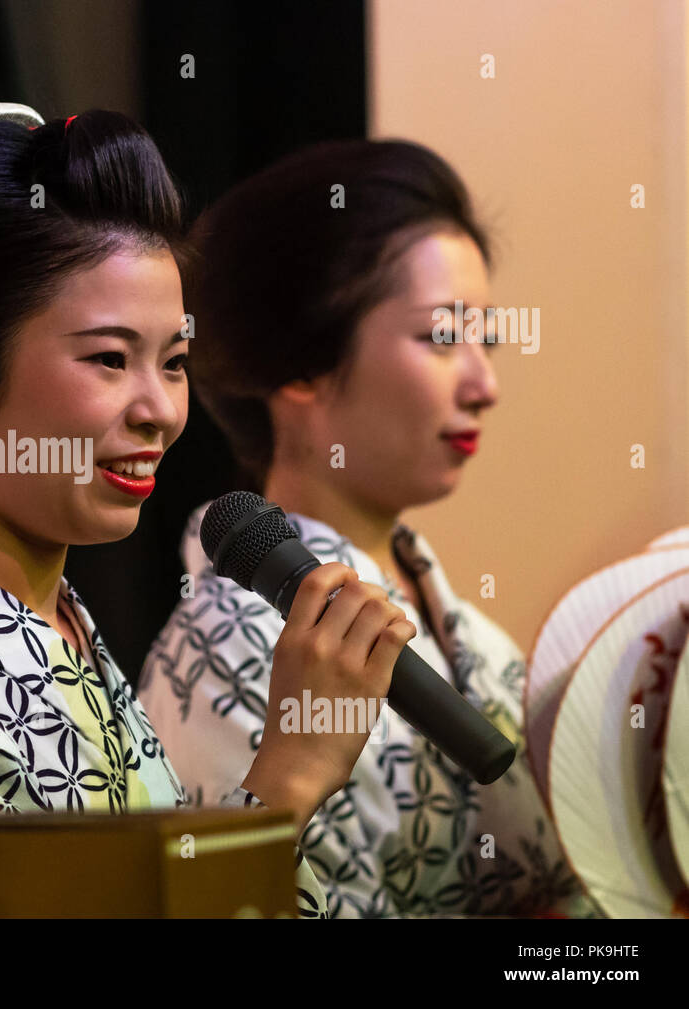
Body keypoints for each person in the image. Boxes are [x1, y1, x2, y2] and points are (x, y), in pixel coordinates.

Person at [0, 75, 418, 917]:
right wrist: (287, 783)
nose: (160, 412)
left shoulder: (63, 635)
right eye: (109, 359)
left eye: (174, 363)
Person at [136, 139, 596, 918]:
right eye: (443, 337)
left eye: (485, 338)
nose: (485, 384)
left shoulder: (473, 640)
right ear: (303, 361)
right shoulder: (235, 643)